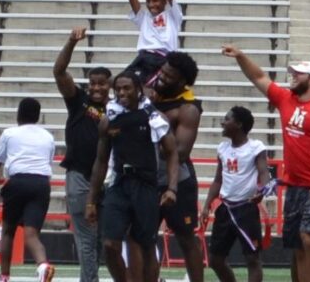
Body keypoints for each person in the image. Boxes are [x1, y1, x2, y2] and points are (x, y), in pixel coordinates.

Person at [222, 45, 310, 282]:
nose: (292, 76)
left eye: (298, 73)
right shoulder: (285, 99)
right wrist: (240, 55)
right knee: (299, 245)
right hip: (294, 185)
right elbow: (258, 76)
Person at [85, 71, 179, 282]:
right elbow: (101, 160)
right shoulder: (109, 119)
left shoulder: (154, 117)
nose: (121, 93)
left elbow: (172, 152)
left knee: (145, 245)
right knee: (110, 244)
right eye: (118, 89)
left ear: (138, 90)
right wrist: (91, 200)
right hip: (118, 184)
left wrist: (172, 188)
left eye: (126, 88)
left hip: (145, 185)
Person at [54, 27, 112, 282]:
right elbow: (58, 71)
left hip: (107, 180)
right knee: (87, 238)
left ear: (110, 85)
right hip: (79, 176)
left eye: (102, 83)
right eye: (93, 84)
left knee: (101, 240)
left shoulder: (117, 108)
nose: (97, 88)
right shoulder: (79, 101)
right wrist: (71, 42)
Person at [201, 106, 270, 282]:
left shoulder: (255, 147)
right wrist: (207, 204)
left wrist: (262, 189)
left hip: (246, 208)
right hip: (225, 209)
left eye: (227, 119)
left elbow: (263, 172)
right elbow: (218, 179)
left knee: (252, 258)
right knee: (216, 260)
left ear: (238, 124)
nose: (223, 122)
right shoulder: (223, 148)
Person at [0, 98, 55, 282]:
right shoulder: (47, 136)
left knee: (8, 231)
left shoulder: (10, 133)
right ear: (38, 116)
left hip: (18, 182)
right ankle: (42, 265)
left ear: (18, 114)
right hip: (41, 184)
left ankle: (4, 275)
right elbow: (47, 162)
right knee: (32, 233)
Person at [152, 51, 203, 282]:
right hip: (148, 179)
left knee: (185, 237)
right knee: (143, 236)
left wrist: (154, 119)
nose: (161, 78)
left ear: (182, 81)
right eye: (161, 72)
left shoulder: (188, 107)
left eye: (168, 76)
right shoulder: (150, 94)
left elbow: (179, 152)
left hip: (177, 181)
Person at [126, 0, 183, 86]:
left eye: (155, 0)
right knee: (124, 82)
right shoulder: (143, 17)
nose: (151, 5)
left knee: (148, 89)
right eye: (148, 1)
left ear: (164, 1)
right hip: (142, 58)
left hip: (162, 59)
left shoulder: (173, 15)